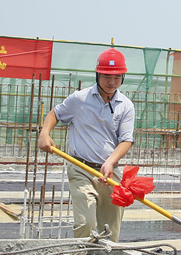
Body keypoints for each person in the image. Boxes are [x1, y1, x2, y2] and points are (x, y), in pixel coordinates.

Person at [37, 48, 135, 242]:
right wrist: (44, 133)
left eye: (117, 77)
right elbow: (55, 114)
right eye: (107, 77)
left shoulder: (126, 105)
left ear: (122, 78)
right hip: (81, 168)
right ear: (98, 75)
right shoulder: (79, 99)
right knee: (86, 223)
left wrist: (110, 162)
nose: (112, 82)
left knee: (110, 228)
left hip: (110, 172)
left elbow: (126, 140)